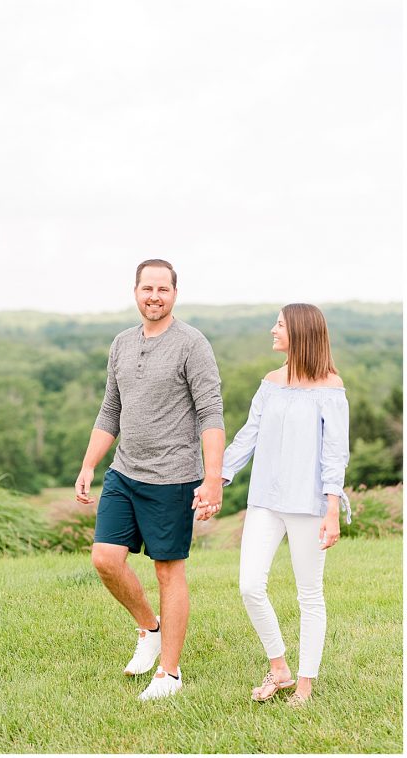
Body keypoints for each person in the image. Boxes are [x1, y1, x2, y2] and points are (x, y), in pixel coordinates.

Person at [74, 258, 225, 701]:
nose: (154, 296)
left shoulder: (192, 344)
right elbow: (110, 410)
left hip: (173, 477)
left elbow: (211, 413)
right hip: (124, 471)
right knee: (104, 558)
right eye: (147, 288)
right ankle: (149, 628)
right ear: (135, 292)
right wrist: (88, 466)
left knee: (167, 570)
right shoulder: (121, 343)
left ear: (174, 293)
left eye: (163, 289)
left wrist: (212, 479)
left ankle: (170, 674)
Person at [221, 303, 350, 706]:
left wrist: (332, 508)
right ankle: (279, 668)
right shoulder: (271, 381)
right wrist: (217, 477)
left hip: (309, 506)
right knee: (249, 586)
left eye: (279, 325)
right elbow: (249, 435)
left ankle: (306, 684)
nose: (272, 330)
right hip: (264, 500)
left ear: (300, 332)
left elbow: (335, 452)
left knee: (309, 594)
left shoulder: (331, 388)